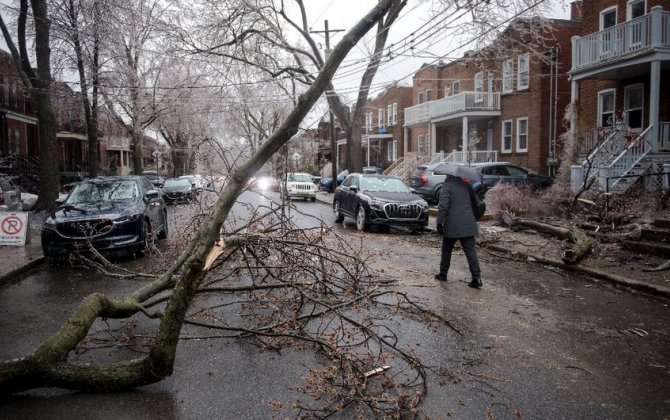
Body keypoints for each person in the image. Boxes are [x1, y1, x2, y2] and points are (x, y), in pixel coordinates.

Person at [435, 174, 482, 288]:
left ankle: (443, 273)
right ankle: (477, 278)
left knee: (447, 249)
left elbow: (443, 206)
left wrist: (439, 222)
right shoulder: (466, 185)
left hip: (453, 224)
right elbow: (476, 203)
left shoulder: (447, 186)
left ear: (448, 175)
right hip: (468, 223)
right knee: (470, 251)